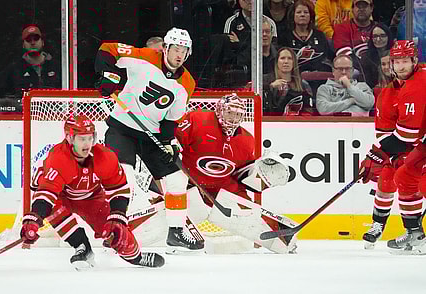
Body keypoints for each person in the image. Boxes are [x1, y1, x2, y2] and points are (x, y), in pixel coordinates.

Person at [95, 27, 204, 254]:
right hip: (121, 129)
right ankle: (116, 232)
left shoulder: (187, 83)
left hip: (150, 135)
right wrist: (108, 76)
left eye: (184, 51)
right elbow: (108, 49)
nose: (179, 55)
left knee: (176, 180)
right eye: (175, 49)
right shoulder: (144, 57)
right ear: (165, 48)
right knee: (125, 179)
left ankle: (175, 233)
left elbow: (170, 120)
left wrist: (168, 142)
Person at [20, 115, 165, 269]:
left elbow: (119, 189)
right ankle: (82, 246)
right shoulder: (58, 158)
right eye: (82, 139)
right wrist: (34, 219)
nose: (87, 144)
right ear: (69, 138)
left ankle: (135, 256)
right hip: (61, 196)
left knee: (115, 231)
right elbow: (46, 194)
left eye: (90, 138)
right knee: (53, 209)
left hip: (92, 198)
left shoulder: (105, 157)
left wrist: (117, 216)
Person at [175, 93, 297, 253]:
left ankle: (280, 238)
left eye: (238, 115)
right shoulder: (198, 119)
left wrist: (260, 177)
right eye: (230, 113)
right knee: (190, 205)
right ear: (219, 110)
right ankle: (172, 234)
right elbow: (173, 142)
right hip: (190, 181)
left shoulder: (247, 140)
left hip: (223, 187)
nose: (233, 119)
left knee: (247, 210)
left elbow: (242, 175)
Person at [359, 40, 426, 254]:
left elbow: (408, 134)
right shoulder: (388, 94)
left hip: (415, 144)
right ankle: (414, 234)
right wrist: (383, 154)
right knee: (398, 177)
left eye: (405, 61)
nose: (401, 66)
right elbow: (387, 132)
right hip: (411, 147)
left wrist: (376, 153)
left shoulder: (417, 85)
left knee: (421, 183)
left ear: (414, 61)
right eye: (397, 62)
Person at [0, 24, 61, 107]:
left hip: (54, 117)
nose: (32, 42)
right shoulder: (14, 69)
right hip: (22, 117)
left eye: (36, 38)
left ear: (42, 42)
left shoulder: (57, 67)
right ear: (23, 45)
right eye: (28, 40)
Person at [280, 0, 334, 95]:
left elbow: (330, 57)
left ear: (311, 16)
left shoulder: (320, 36)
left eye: (306, 12)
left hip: (321, 80)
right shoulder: (285, 37)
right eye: (299, 12)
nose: (302, 15)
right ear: (293, 15)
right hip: (296, 81)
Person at [223, 0, 278, 85]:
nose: (250, 1)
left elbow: (270, 49)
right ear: (239, 1)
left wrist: (240, 44)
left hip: (267, 69)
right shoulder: (232, 22)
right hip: (241, 72)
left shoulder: (269, 22)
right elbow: (230, 53)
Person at [263, 47, 316, 116]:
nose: (286, 61)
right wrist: (270, 87)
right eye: (282, 58)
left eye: (289, 58)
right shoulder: (264, 80)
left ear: (294, 62)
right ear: (277, 62)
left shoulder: (303, 86)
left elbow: (308, 112)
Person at [359, 23, 394, 89]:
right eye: (375, 36)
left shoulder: (397, 55)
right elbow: (365, 83)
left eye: (382, 36)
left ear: (388, 37)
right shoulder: (366, 58)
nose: (378, 39)